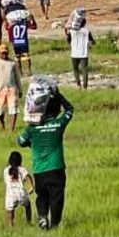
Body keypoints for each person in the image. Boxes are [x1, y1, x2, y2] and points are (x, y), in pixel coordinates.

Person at [18, 92, 74, 229]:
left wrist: (31, 144)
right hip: (56, 168)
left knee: (42, 195)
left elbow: (20, 141)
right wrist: (59, 95)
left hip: (39, 170)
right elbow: (70, 110)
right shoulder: (58, 124)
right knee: (57, 197)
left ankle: (43, 217)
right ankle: (54, 224)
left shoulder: (32, 128)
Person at [0, 45, 23, 132]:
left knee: (13, 109)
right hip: (0, 89)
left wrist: (20, 89)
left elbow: (17, 77)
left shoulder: (13, 63)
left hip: (12, 88)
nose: (4, 54)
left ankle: (12, 128)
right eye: (2, 53)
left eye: (6, 52)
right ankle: (2, 125)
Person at [3, 151, 33, 227]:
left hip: (10, 194)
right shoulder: (22, 169)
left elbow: (6, 182)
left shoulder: (6, 170)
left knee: (10, 211)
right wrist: (31, 187)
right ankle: (28, 221)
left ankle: (11, 225)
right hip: (21, 193)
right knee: (28, 206)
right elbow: (28, 177)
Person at [66, 16, 95, 90]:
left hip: (74, 53)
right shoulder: (86, 31)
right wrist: (90, 44)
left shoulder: (72, 31)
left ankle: (78, 85)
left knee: (75, 69)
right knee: (84, 70)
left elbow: (68, 40)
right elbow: (92, 41)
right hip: (83, 53)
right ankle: (85, 87)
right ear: (84, 23)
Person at [5, 12, 37, 76]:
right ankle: (29, 71)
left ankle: (19, 72)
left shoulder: (12, 26)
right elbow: (34, 27)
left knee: (17, 57)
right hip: (23, 42)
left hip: (16, 43)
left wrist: (5, 21)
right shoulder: (24, 24)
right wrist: (32, 19)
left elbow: (7, 29)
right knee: (26, 56)